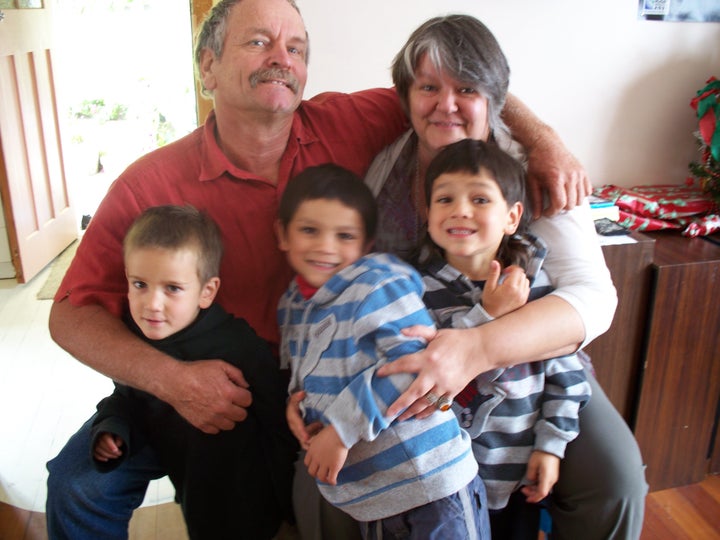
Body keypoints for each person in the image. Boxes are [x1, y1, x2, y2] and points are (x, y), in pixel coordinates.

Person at [45, 0, 603, 538]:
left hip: (322, 373)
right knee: (78, 485)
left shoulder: (344, 121)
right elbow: (71, 315)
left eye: (296, 47)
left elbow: (460, 83)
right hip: (193, 375)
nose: (281, 59)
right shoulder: (147, 183)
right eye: (258, 42)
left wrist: (542, 138)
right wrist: (172, 382)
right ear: (207, 67)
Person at [357, 15, 647, 540]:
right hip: (416, 363)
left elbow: (594, 297)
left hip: (538, 367)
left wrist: (480, 345)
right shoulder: (383, 172)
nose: (446, 105)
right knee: (337, 475)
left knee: (617, 480)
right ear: (407, 96)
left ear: (494, 99)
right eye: (429, 89)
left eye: (466, 90)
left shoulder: (533, 170)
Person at [276, 164, 489, 540]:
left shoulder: (377, 283)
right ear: (283, 234)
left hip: (428, 483)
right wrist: (301, 405)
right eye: (310, 230)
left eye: (344, 236)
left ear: (365, 245)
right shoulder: (293, 305)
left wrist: (340, 431)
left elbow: (414, 369)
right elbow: (316, 370)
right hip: (373, 496)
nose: (326, 246)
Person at [414, 138, 592, 538]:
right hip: (446, 482)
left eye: (479, 199)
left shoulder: (534, 286)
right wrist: (488, 315)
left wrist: (552, 445)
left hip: (516, 478)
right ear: (427, 213)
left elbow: (565, 374)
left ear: (512, 217)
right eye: (445, 199)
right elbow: (428, 373)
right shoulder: (413, 290)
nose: (460, 210)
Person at [89, 204, 296, 539]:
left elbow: (278, 421)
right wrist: (112, 429)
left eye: (172, 288)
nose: (152, 303)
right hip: (196, 498)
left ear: (206, 292)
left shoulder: (237, 344)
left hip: (254, 502)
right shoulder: (135, 339)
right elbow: (128, 396)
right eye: (140, 284)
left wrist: (290, 504)